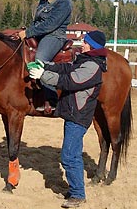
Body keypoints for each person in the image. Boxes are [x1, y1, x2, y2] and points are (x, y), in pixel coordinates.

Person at [27, 30, 108, 208]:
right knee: (73, 153)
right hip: (72, 114)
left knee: (69, 156)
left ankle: (78, 194)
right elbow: (65, 68)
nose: (82, 43)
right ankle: (75, 190)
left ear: (93, 46)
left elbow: (70, 81)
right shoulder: (85, 60)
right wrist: (45, 65)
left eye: (86, 42)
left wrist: (42, 75)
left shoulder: (92, 67)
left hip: (78, 117)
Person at [18, 0, 72, 111]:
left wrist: (29, 32)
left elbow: (50, 24)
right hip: (40, 33)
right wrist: (27, 32)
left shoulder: (63, 1)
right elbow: (38, 21)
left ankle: (51, 97)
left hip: (54, 35)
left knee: (40, 59)